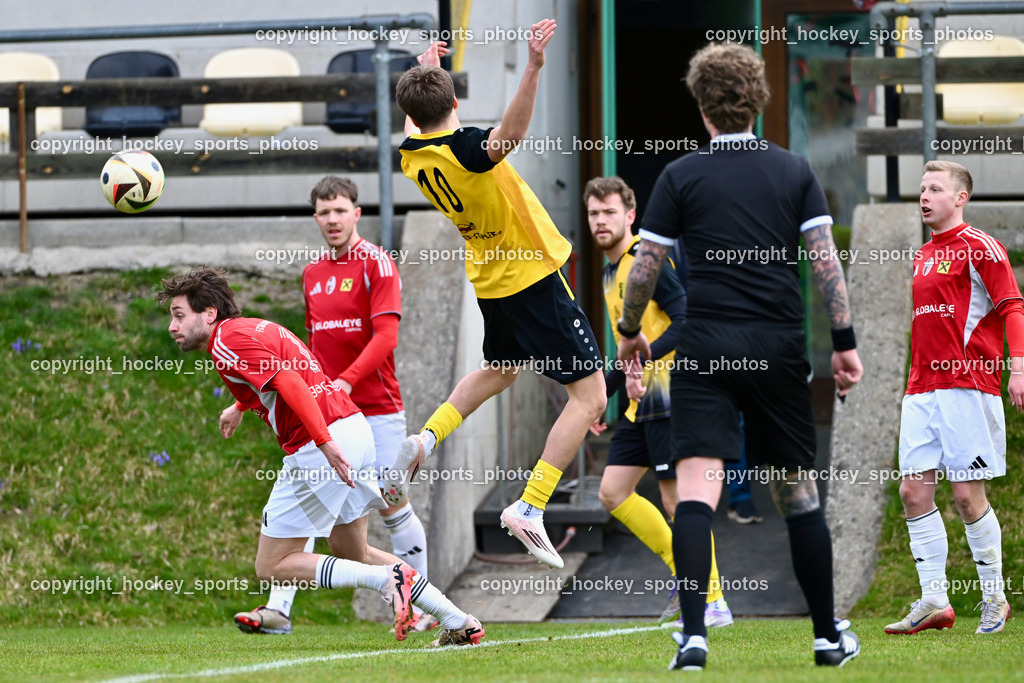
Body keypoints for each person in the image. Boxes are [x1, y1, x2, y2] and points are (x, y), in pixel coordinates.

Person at [616, 43, 864, 670]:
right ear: (759, 101)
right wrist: (844, 345)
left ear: (702, 107)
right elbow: (826, 263)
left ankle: (695, 635)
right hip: (776, 347)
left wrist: (628, 331)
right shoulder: (794, 171)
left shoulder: (680, 175)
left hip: (706, 347)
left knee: (697, 491)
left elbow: (645, 267)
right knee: (798, 494)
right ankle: (826, 637)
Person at [157, 267, 484, 647]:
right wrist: (240, 406)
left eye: (179, 315)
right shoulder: (254, 328)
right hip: (355, 429)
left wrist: (324, 442)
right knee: (353, 551)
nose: (172, 326)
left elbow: (289, 382)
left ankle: (385, 582)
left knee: (272, 565)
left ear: (209, 313)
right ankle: (459, 620)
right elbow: (277, 377)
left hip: (322, 445)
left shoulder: (226, 341)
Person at [392, 20, 606, 570]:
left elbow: (428, 121)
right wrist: (532, 66)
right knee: (591, 397)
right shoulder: (466, 149)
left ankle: (425, 439)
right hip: (531, 275)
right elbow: (506, 138)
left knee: (503, 369)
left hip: (490, 277)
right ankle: (531, 506)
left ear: (410, 115)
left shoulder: (412, 154)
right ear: (456, 100)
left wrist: (428, 75)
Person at [233, 176, 436, 635]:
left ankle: (421, 605)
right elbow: (301, 357)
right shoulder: (312, 274)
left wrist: (345, 380)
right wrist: (247, 404)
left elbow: (387, 337)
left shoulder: (376, 264)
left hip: (377, 409)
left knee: (393, 506)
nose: (332, 220)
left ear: (356, 213)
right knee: (306, 497)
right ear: (315, 218)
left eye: (340, 210)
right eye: (324, 212)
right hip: (330, 415)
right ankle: (278, 610)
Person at [584, 175, 732, 628]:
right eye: (593, 214)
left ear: (630, 216)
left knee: (677, 502)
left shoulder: (643, 263)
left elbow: (686, 318)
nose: (600, 221)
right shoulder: (610, 272)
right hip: (636, 404)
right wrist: (598, 400)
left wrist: (646, 354)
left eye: (609, 212)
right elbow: (625, 352)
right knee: (612, 492)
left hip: (669, 397)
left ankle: (713, 600)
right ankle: (683, 575)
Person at [884, 161, 1020, 636]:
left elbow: (1012, 307)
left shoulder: (980, 247)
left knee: (966, 495)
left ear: (960, 197)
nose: (924, 197)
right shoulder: (922, 255)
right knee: (913, 491)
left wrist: (1018, 369)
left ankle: (994, 599)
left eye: (935, 189)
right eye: (921, 189)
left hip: (967, 386)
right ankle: (934, 600)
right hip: (921, 390)